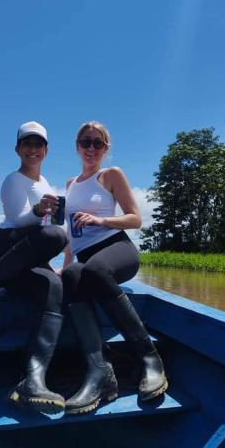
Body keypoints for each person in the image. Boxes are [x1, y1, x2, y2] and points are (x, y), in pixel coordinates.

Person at [61, 121, 167, 415]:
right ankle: (99, 373)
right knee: (71, 277)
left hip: (117, 248)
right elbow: (70, 231)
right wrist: (65, 264)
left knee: (94, 271)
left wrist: (101, 221)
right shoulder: (70, 185)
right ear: (77, 145)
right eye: (86, 142)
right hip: (87, 257)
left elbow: (135, 219)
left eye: (98, 143)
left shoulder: (111, 175)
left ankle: (150, 358)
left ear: (106, 149)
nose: (91, 148)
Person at [0, 121, 68, 413]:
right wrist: (38, 211)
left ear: (46, 150)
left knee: (54, 286)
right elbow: (19, 218)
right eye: (27, 144)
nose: (33, 150)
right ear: (18, 149)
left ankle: (32, 381)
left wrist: (49, 267)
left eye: (38, 145)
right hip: (2, 249)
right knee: (56, 234)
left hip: (26, 256)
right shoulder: (14, 180)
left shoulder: (46, 184)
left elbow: (41, 236)